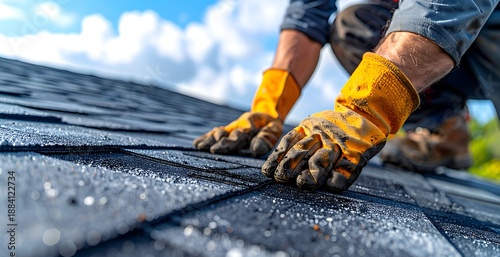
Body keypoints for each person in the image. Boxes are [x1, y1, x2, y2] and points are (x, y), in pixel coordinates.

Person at [194, 0, 500, 192]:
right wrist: (270, 104)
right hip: (451, 40)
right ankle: (444, 126)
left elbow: (445, 8)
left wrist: (365, 109)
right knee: (354, 27)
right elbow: (307, 15)